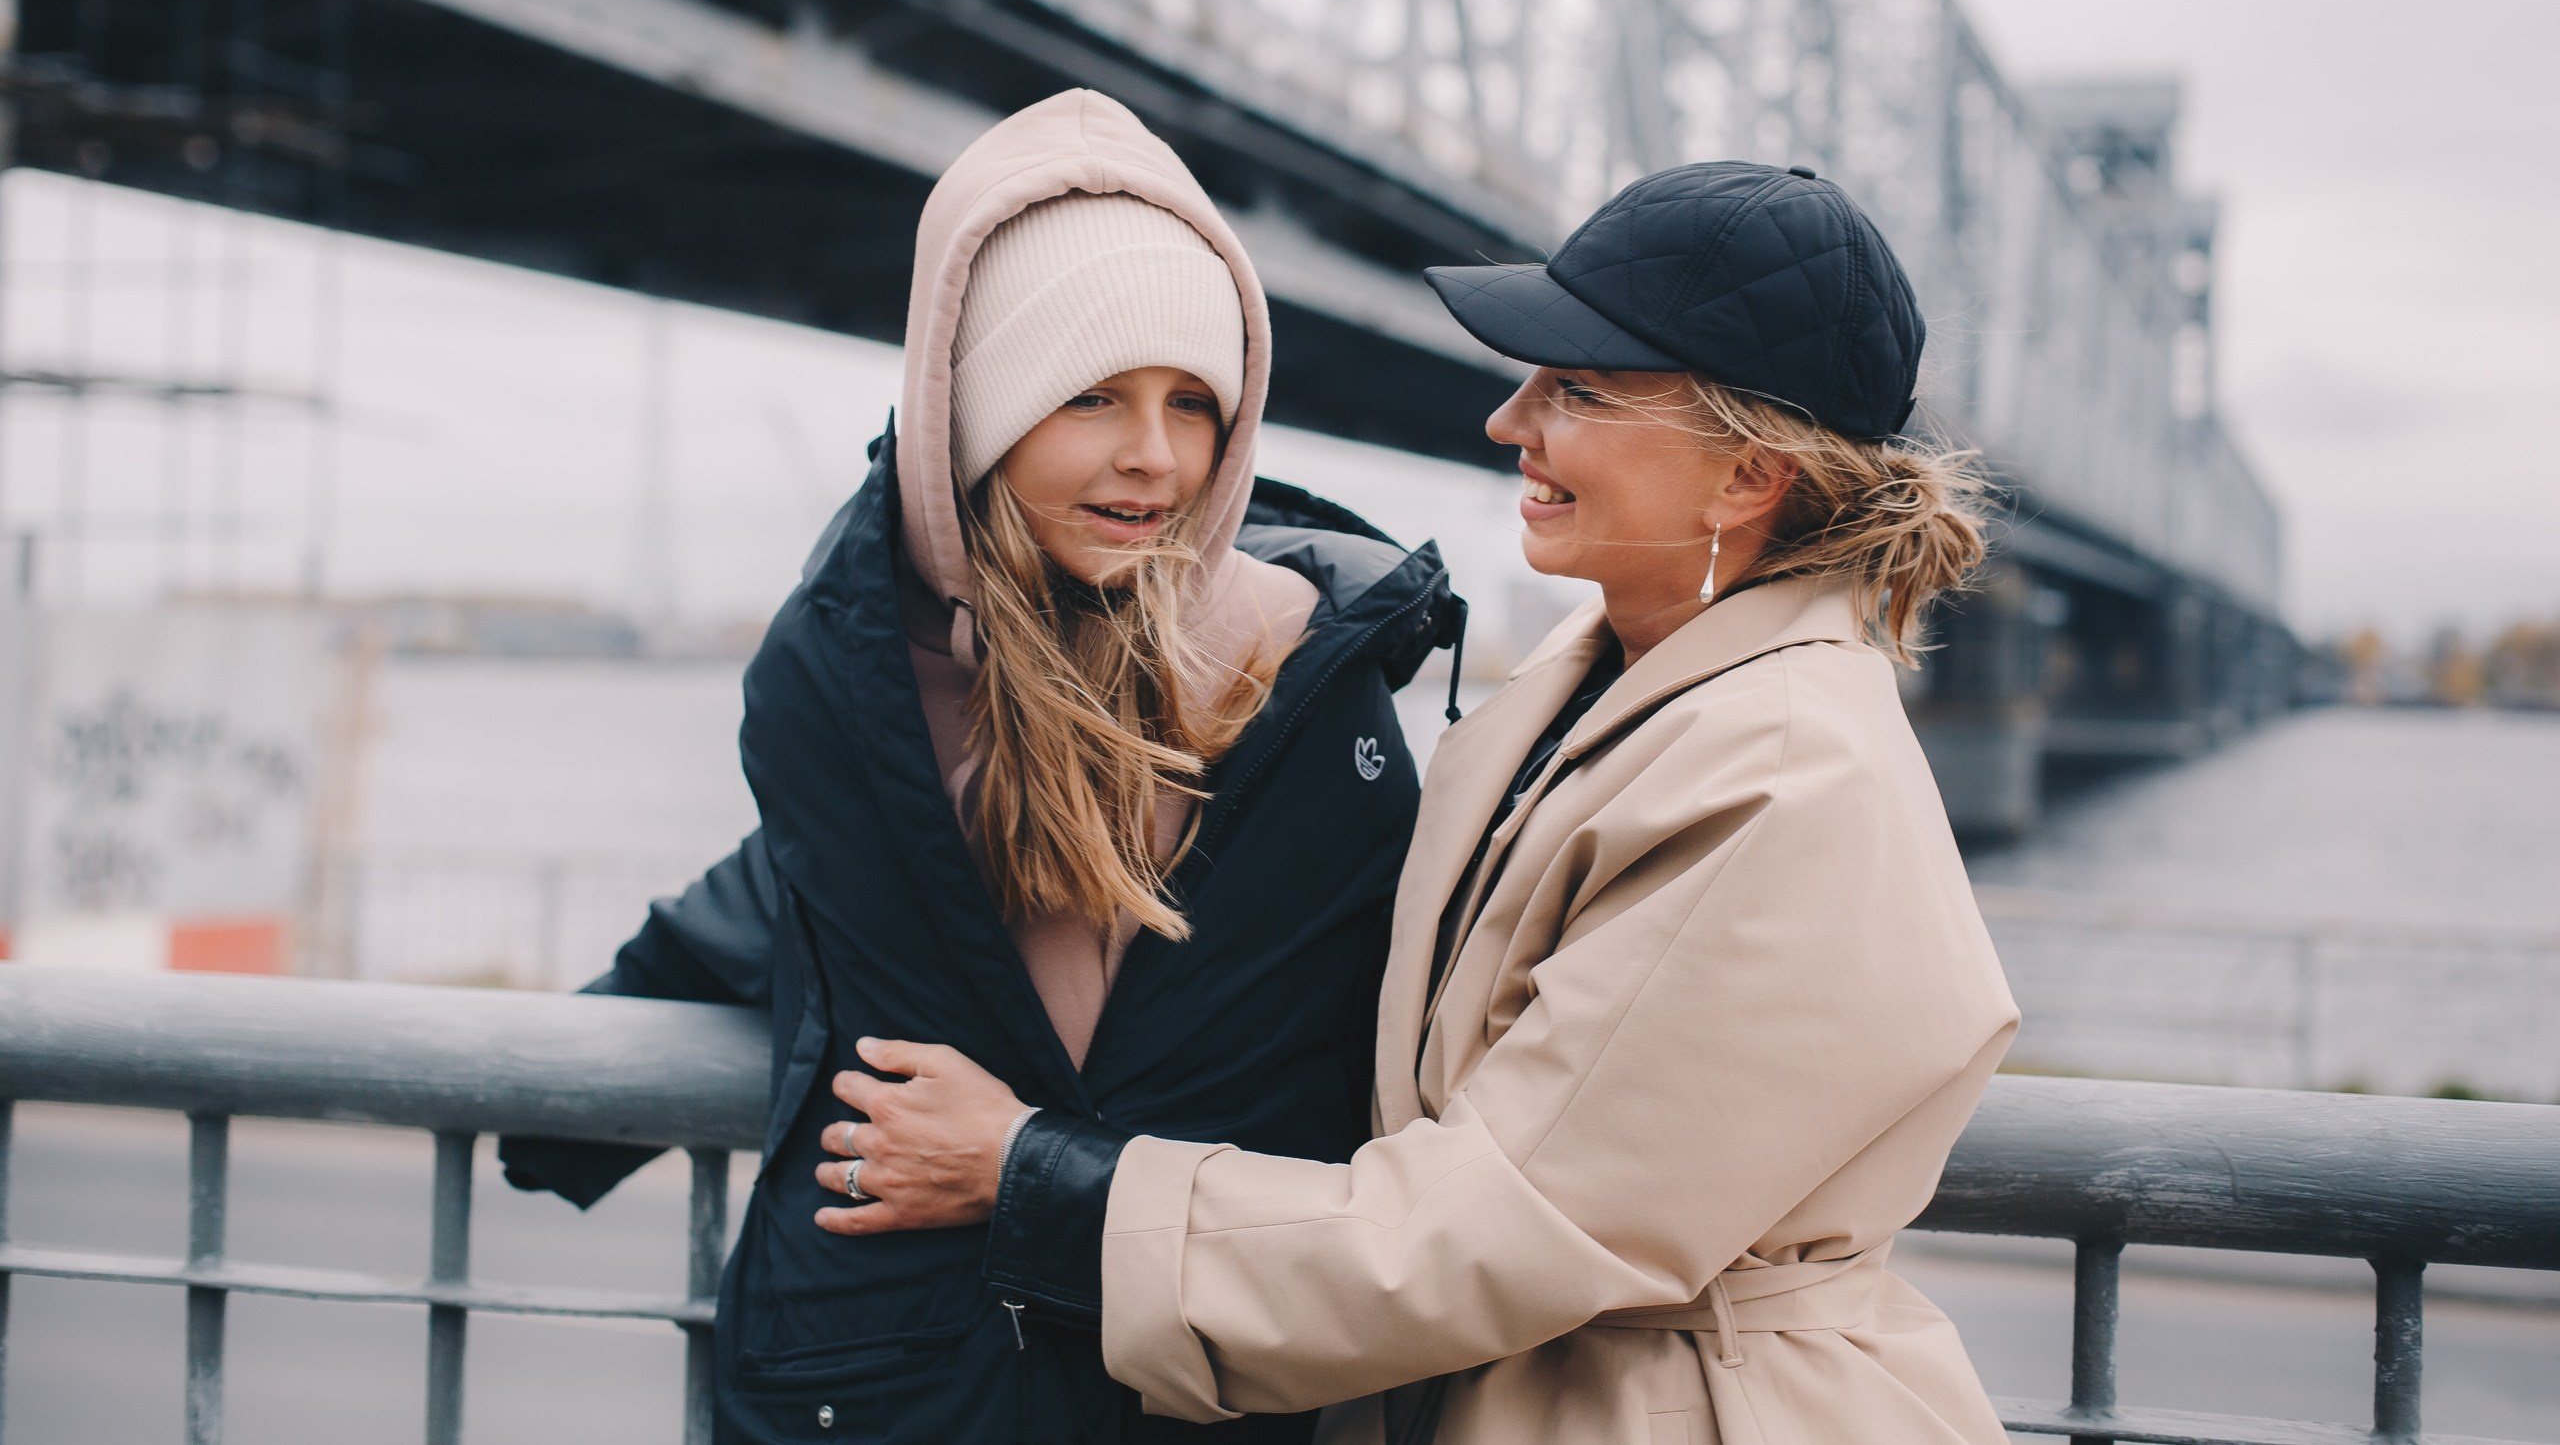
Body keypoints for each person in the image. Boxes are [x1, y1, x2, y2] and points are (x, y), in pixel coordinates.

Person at [811, 160, 2022, 1444]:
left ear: (1746, 477)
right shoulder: (1605, 694)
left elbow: (1489, 1227)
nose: (1510, 422)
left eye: (1580, 391)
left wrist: (1032, 1182)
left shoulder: (1786, 776)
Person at [498, 89, 1461, 1444]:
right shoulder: (848, 673)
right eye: (1092, 396)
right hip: (871, 1387)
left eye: (1196, 402)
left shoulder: (1306, 694)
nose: (1157, 454)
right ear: (980, 410)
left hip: (1185, 1397)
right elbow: (814, 885)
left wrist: (1026, 1167)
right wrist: (551, 1098)